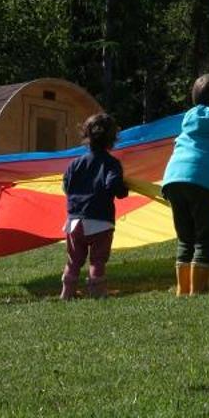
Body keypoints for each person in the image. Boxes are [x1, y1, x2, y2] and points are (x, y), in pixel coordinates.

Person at [161, 74, 209, 296]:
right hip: (203, 183)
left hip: (173, 179)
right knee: (206, 237)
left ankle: (182, 288)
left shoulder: (187, 120)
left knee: (186, 236)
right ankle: (198, 289)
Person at [59, 113, 127, 300]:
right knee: (97, 259)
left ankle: (67, 293)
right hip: (100, 222)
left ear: (86, 137)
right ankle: (97, 292)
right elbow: (113, 185)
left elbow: (66, 186)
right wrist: (123, 190)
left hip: (74, 222)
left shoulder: (75, 164)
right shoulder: (111, 164)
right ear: (113, 139)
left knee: (74, 260)